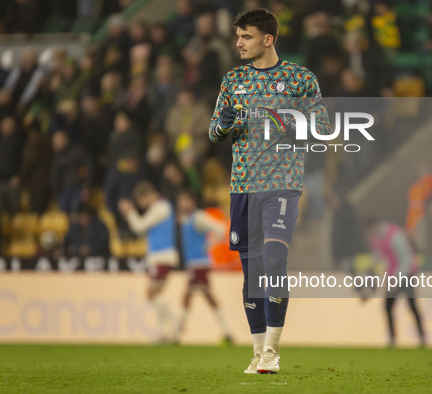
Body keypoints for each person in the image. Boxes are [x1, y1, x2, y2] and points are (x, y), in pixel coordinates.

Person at [208, 8, 329, 374]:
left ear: (267, 39)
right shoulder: (233, 81)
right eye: (238, 36)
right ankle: (258, 350)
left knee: (275, 260)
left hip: (282, 185)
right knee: (253, 273)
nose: (238, 43)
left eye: (245, 37)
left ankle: (273, 351)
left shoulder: (299, 79)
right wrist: (222, 125)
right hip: (243, 186)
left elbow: (322, 127)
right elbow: (214, 131)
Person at [118, 181, 178, 342]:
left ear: (146, 196)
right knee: (155, 294)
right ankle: (164, 333)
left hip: (162, 256)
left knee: (151, 293)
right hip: (160, 257)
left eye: (140, 201)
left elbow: (139, 226)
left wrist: (130, 212)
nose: (142, 206)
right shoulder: (161, 208)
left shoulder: (161, 207)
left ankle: (175, 323)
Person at [174, 190, 233, 345]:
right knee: (208, 297)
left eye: (185, 200)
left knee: (188, 296)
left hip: (198, 263)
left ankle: (176, 333)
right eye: (180, 201)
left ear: (192, 202)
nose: (182, 204)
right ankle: (227, 332)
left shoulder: (198, 217)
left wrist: (209, 245)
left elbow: (220, 228)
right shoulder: (186, 219)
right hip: (194, 264)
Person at [365, 216, 426, 348]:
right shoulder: (375, 237)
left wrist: (397, 279)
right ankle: (392, 339)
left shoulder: (395, 235)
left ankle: (422, 337)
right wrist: (371, 266)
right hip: (393, 275)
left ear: (375, 226)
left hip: (407, 274)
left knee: (412, 306)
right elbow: (378, 253)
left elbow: (406, 259)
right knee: (388, 307)